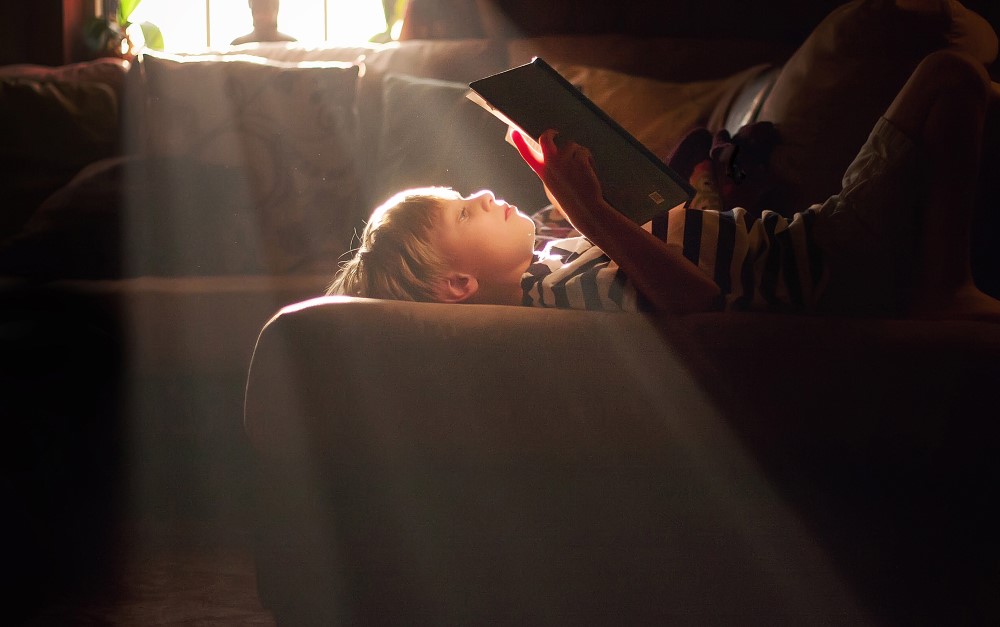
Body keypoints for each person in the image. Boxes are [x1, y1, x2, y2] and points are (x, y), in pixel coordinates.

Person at [328, 50, 1000, 322]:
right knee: (948, 79)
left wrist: (584, 194)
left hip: (800, 235)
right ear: (458, 285)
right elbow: (695, 300)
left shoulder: (550, 256)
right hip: (827, 257)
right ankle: (945, 287)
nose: (483, 195)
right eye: (465, 212)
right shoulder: (560, 293)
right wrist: (591, 212)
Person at [230, 0, 297, 46]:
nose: (261, 16)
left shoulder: (292, 46)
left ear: (276, 9)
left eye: (266, 9)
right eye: (257, 10)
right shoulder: (237, 46)